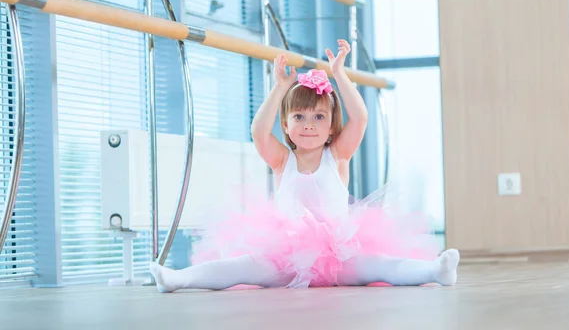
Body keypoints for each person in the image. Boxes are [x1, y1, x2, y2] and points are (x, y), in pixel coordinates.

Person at [150, 39, 459, 292]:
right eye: (299, 117)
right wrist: (279, 88)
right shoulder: (282, 160)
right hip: (285, 257)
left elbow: (361, 117)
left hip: (340, 255)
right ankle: (179, 278)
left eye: (318, 117)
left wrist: (339, 73)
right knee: (239, 268)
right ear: (286, 125)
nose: (308, 125)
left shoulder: (337, 155)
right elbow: (258, 131)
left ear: (331, 127)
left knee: (380, 265)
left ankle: (435, 270)